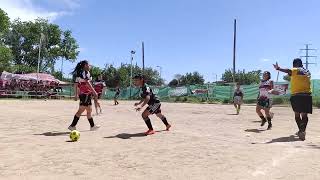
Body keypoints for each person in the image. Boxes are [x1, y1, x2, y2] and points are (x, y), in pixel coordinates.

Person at [273, 58, 312, 141]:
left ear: (295, 64)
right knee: (304, 115)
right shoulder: (307, 71)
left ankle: (301, 131)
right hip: (307, 95)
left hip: (297, 95)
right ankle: (302, 130)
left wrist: (278, 68)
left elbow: (288, 71)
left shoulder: (296, 70)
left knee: (297, 114)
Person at [68, 60, 100, 131]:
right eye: (89, 64)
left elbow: (76, 85)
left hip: (86, 94)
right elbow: (87, 83)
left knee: (89, 110)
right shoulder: (83, 72)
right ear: (85, 65)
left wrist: (76, 94)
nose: (90, 66)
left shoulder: (84, 73)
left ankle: (92, 126)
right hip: (84, 94)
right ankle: (72, 125)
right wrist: (94, 91)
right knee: (81, 110)